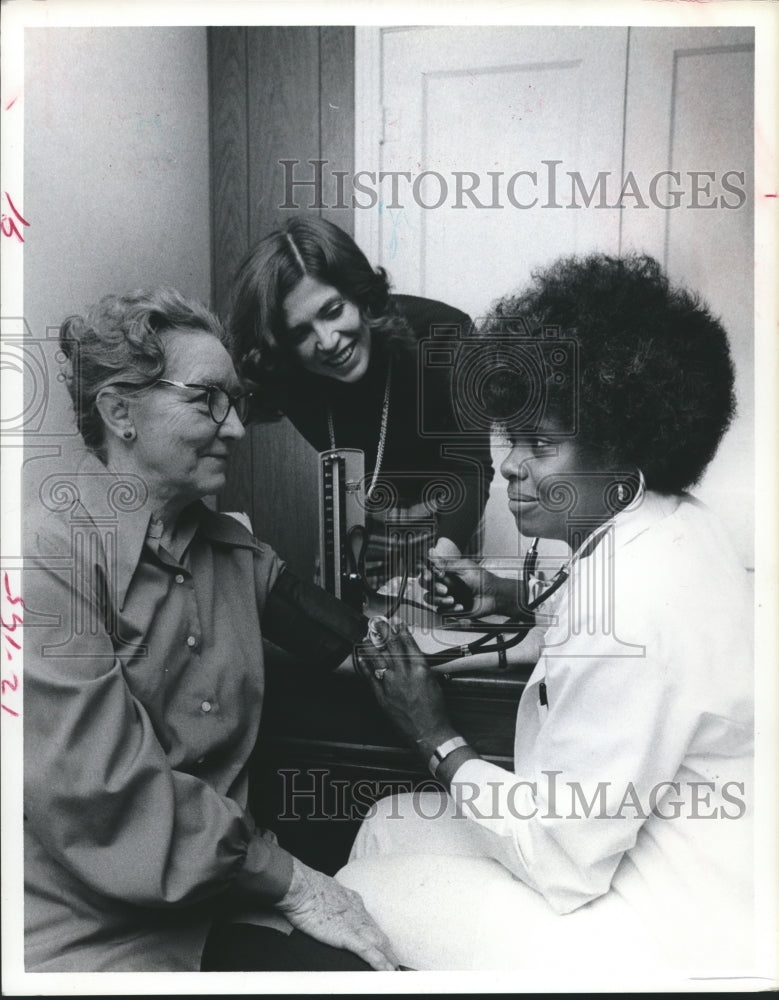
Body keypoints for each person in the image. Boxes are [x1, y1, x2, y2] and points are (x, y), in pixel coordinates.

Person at [335, 253, 754, 978]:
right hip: (696, 873)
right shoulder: (677, 526)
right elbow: (602, 620)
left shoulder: (629, 598)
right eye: (511, 438)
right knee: (386, 823)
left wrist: (434, 735)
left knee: (356, 894)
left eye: (540, 445)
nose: (507, 467)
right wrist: (508, 599)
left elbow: (559, 860)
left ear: (622, 448)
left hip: (657, 929)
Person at [22, 288, 399, 973]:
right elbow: (102, 797)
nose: (233, 428)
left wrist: (492, 631)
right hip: (83, 933)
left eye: (237, 402)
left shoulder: (235, 551)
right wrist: (290, 880)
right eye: (206, 400)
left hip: (216, 901)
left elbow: (360, 645)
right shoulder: (44, 557)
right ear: (119, 411)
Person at [228, 215, 494, 590]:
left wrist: (444, 558)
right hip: (354, 516)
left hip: (448, 517)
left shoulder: (446, 337)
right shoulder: (283, 369)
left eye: (333, 311)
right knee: (344, 634)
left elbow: (471, 469)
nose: (328, 341)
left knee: (438, 634)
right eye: (301, 331)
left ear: (359, 293)